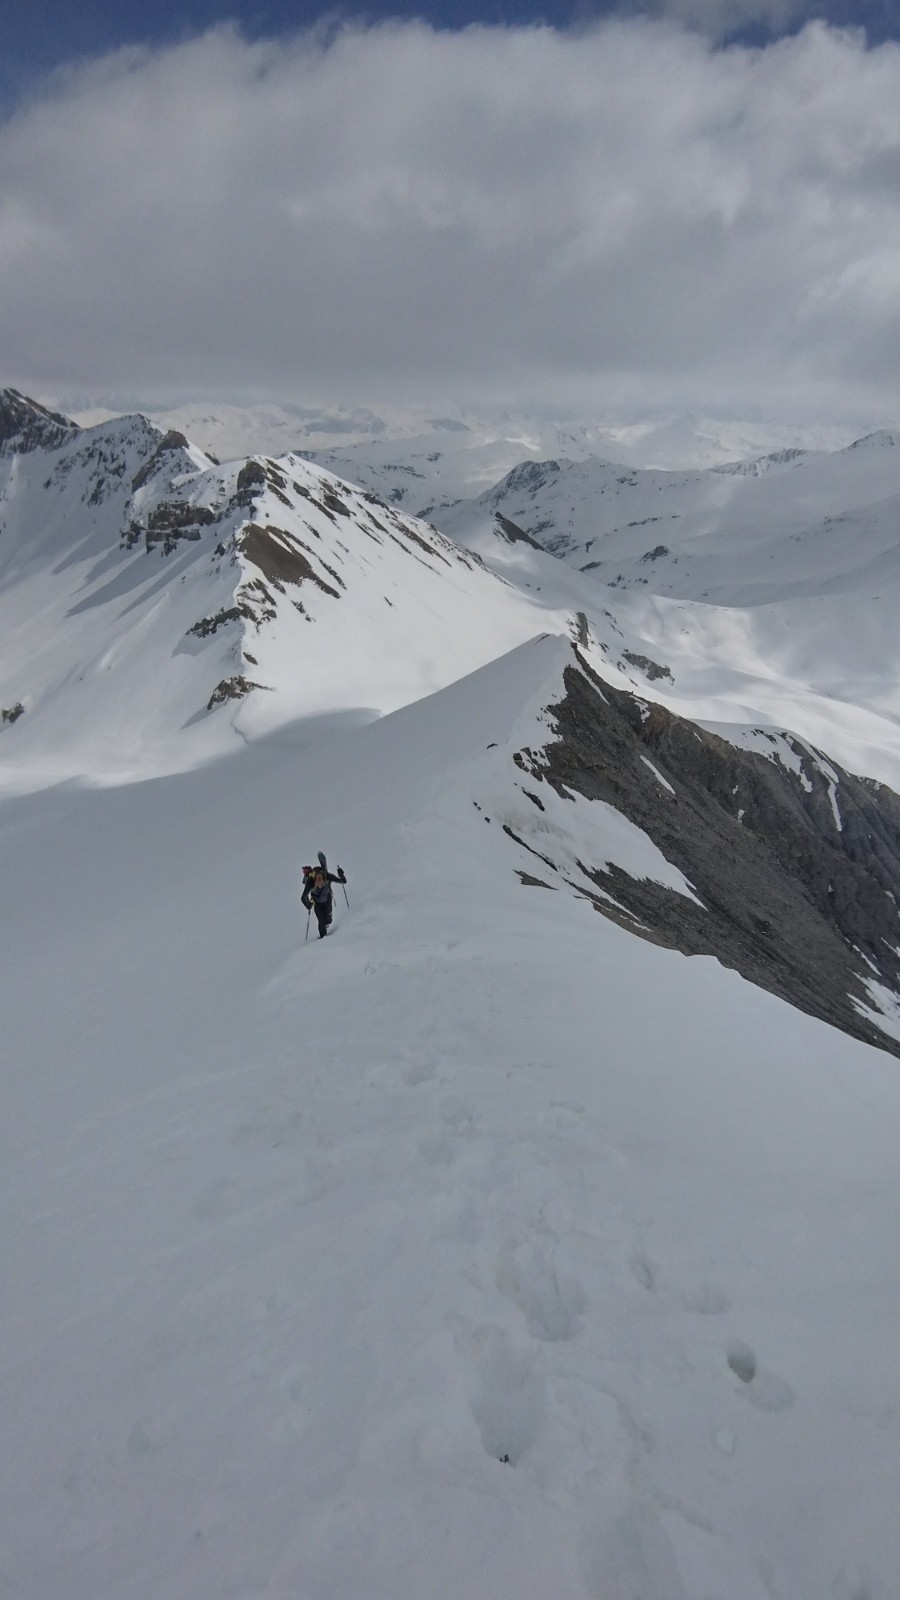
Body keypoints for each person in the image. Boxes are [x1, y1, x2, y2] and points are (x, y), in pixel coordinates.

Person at [301, 863, 346, 939]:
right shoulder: (310, 882)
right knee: (321, 922)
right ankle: (323, 939)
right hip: (317, 903)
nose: (319, 886)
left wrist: (341, 875)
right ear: (314, 881)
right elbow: (303, 897)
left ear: (324, 880)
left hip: (327, 900)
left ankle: (327, 924)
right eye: (317, 885)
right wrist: (308, 904)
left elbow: (343, 881)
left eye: (321, 884)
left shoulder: (328, 876)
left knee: (328, 920)